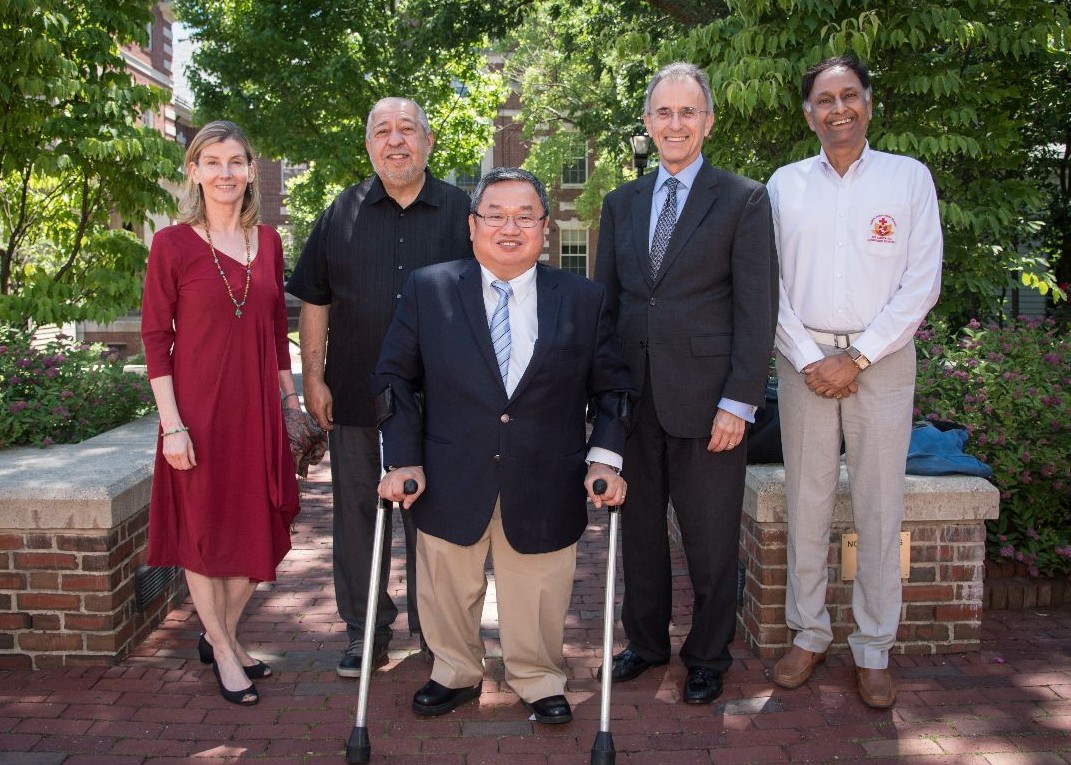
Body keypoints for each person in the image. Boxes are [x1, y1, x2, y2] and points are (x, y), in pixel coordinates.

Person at [374, 167, 634, 724]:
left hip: (546, 474)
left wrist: (605, 458)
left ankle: (538, 678)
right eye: (495, 215)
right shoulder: (430, 287)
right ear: (473, 226)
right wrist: (402, 457)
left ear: (545, 226)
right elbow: (394, 378)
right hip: (448, 471)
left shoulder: (583, 298)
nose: (509, 227)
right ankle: (454, 672)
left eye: (525, 216)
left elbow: (613, 388)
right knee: (447, 585)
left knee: (539, 590)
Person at [594, 62, 778, 704]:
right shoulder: (619, 204)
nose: (675, 124)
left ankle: (707, 654)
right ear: (647, 122)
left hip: (709, 404)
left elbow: (758, 310)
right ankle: (644, 643)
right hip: (633, 404)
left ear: (708, 122)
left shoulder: (743, 199)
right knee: (638, 534)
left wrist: (740, 401)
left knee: (709, 540)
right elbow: (607, 308)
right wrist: (604, 403)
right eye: (663, 113)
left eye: (688, 112)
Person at [767, 55, 942, 708]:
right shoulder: (782, 186)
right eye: (823, 98)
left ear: (868, 102)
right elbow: (769, 284)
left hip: (884, 361)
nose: (836, 107)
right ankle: (808, 633)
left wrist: (858, 356)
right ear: (807, 112)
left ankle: (872, 648)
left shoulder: (907, 179)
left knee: (877, 506)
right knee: (806, 504)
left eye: (848, 95)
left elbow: (920, 280)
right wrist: (811, 355)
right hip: (801, 357)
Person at [286, 97, 473, 677]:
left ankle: (436, 631)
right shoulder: (338, 214)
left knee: (436, 520)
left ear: (429, 140)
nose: (396, 141)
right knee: (357, 519)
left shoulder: (464, 211)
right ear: (368, 144)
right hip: (355, 394)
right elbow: (314, 298)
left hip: (442, 403)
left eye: (407, 130)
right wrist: (312, 376)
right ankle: (364, 630)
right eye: (382, 131)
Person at [142, 120, 300, 706]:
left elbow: (275, 332)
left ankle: (222, 636)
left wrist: (290, 402)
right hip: (197, 414)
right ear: (194, 170)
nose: (225, 172)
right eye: (213, 161)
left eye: (236, 161)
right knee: (205, 536)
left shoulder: (270, 241)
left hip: (257, 410)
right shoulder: (172, 245)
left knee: (257, 523)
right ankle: (224, 649)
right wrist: (172, 425)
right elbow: (156, 338)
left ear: (251, 170)